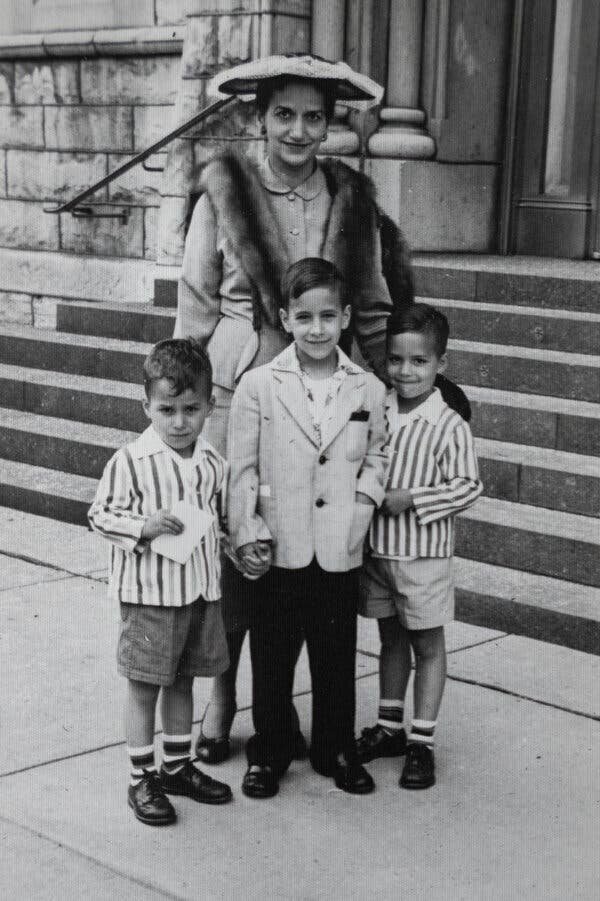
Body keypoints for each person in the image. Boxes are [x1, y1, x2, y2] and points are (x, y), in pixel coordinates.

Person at [174, 54, 418, 764]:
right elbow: (195, 303)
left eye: (315, 116)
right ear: (259, 118)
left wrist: (393, 398)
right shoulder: (224, 191)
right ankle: (223, 700)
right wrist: (187, 406)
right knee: (236, 549)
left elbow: (371, 305)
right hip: (239, 383)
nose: (299, 130)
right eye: (284, 114)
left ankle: (310, 719)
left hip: (324, 396)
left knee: (308, 552)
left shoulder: (350, 198)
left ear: (330, 124)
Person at [227, 257, 387, 798]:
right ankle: (269, 750)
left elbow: (376, 456)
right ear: (284, 317)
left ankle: (334, 748)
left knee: (335, 654)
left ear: (344, 317)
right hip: (279, 543)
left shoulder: (365, 387)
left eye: (327, 317)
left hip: (339, 545)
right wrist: (247, 530)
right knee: (272, 654)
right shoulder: (258, 385)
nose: (316, 329)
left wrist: (362, 507)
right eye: (303, 318)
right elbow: (242, 468)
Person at [88, 338, 233, 826]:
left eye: (191, 409)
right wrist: (143, 527)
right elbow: (100, 515)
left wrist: (241, 544)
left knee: (183, 680)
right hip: (150, 597)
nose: (179, 421)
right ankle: (140, 777)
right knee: (146, 685)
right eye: (167, 409)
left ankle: (175, 765)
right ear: (145, 404)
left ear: (210, 405)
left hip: (197, 592)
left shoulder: (213, 463)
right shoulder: (131, 460)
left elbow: (219, 520)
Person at [355, 304, 483, 789]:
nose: (406, 372)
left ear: (439, 365)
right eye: (396, 360)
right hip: (378, 553)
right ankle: (390, 727)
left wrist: (414, 499)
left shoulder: (448, 423)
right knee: (390, 640)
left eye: (419, 362)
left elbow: (468, 486)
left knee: (427, 645)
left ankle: (421, 740)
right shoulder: (379, 406)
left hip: (423, 557)